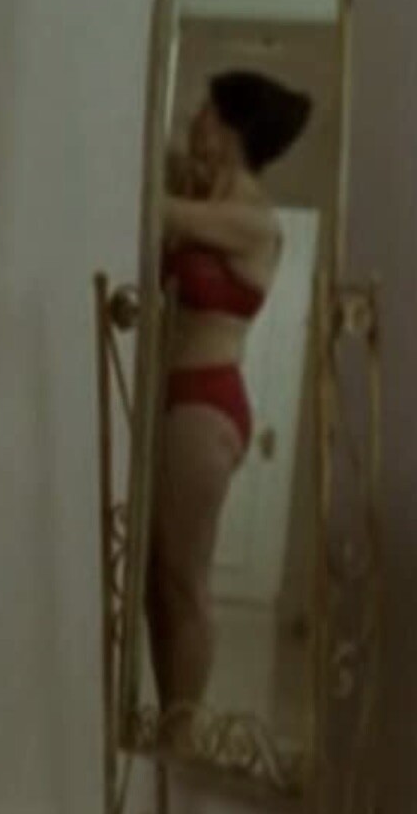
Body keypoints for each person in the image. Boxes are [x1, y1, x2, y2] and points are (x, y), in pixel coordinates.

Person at [148, 69, 311, 746]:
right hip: (172, 397)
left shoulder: (252, 220)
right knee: (155, 579)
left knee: (184, 580)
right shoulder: (204, 194)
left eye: (208, 111)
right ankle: (169, 721)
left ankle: (184, 735)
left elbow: (159, 211)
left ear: (231, 128)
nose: (196, 119)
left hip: (207, 401)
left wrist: (176, 174)